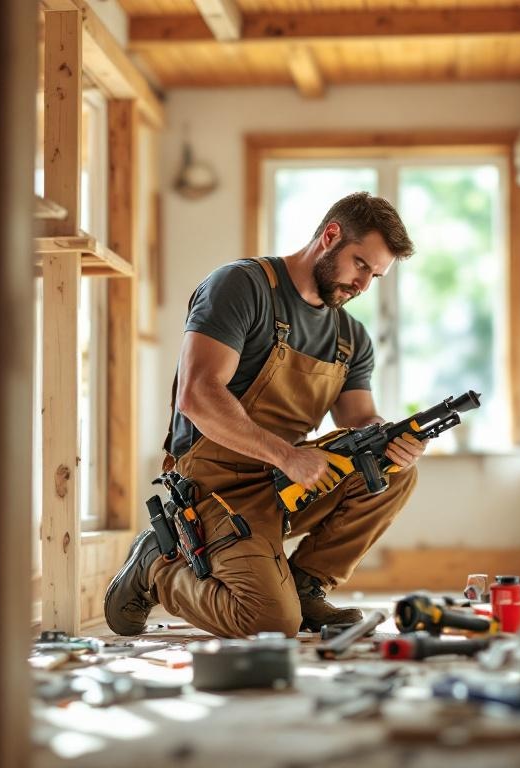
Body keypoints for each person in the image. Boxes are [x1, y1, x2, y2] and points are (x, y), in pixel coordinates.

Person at [104, 192, 426, 638]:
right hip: (215, 486)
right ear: (330, 236)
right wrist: (286, 456)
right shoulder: (241, 287)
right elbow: (197, 396)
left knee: (392, 470)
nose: (363, 286)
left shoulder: (350, 335)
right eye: (360, 265)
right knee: (270, 624)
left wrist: (393, 438)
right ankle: (159, 565)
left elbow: (359, 418)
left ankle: (305, 585)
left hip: (282, 483)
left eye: (375, 275)